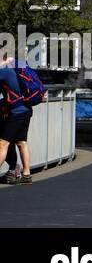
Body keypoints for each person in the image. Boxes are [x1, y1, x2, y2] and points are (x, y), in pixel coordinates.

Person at [0, 54, 33, 184]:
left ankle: (19, 170)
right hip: (26, 109)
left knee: (3, 143)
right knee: (21, 142)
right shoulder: (19, 67)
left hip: (16, 112)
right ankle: (26, 174)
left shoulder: (5, 72)